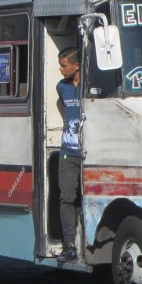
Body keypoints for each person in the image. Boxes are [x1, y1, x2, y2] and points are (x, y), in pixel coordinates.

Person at [56, 46, 82, 263]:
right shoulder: (61, 87)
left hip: (88, 153)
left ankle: (85, 241)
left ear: (77, 65)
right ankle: (69, 245)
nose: (60, 70)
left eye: (64, 65)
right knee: (66, 198)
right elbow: (64, 110)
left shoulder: (91, 88)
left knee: (85, 198)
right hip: (67, 152)